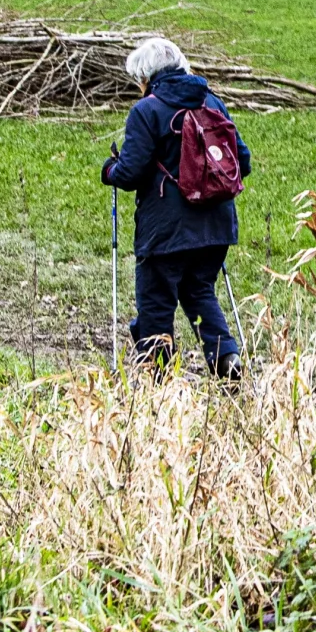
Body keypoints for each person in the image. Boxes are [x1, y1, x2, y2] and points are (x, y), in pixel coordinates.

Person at [102, 36, 244, 379]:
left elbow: (131, 173)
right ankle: (227, 359)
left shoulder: (147, 110)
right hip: (216, 225)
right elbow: (243, 161)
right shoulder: (212, 103)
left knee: (155, 303)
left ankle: (159, 382)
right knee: (199, 292)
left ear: (146, 77)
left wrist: (109, 171)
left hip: (165, 230)